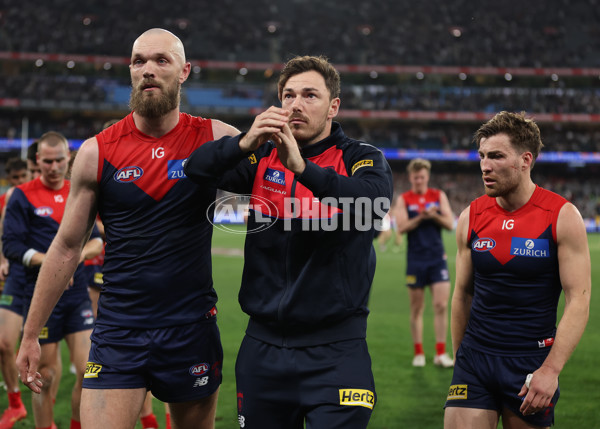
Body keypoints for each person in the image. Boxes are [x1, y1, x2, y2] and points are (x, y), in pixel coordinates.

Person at [16, 28, 239, 429]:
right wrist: (31, 334)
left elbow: (277, 194)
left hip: (190, 328)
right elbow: (66, 247)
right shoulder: (97, 151)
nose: (148, 70)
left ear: (184, 71)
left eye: (161, 60)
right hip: (119, 331)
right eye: (139, 61)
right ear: (130, 70)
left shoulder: (215, 138)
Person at [184, 55, 394, 428]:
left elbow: (371, 207)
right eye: (288, 95)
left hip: (337, 352)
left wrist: (302, 168)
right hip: (262, 350)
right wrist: (244, 141)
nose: (296, 104)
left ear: (333, 106)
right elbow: (196, 168)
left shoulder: (360, 158)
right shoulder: (261, 156)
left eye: (310, 95)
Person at [444, 111, 591, 429]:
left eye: (496, 156)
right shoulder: (472, 215)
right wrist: (460, 359)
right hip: (475, 358)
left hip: (530, 363)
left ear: (525, 160)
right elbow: (462, 293)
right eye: (482, 155)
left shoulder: (561, 215)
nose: (485, 165)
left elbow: (579, 299)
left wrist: (550, 370)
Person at [3, 131, 103, 429]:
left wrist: (75, 260)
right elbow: (11, 246)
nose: (54, 166)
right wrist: (53, 264)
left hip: (76, 296)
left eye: (60, 160)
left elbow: (96, 240)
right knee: (43, 376)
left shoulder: (79, 191)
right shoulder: (22, 195)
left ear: (68, 159)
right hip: (41, 296)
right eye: (47, 161)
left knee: (89, 371)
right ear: (38, 161)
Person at [394, 158, 455, 368]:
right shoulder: (404, 199)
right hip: (416, 260)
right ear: (410, 177)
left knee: (440, 305)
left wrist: (435, 215)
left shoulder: (438, 196)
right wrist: (420, 217)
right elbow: (400, 227)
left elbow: (449, 223)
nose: (419, 180)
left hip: (437, 258)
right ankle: (418, 352)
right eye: (415, 177)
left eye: (422, 177)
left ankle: (440, 353)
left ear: (427, 177)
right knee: (417, 308)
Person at [0, 158, 30, 429]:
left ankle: (46, 420)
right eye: (15, 178)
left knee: (49, 363)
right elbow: (2, 231)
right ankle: (15, 403)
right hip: (16, 276)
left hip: (46, 279)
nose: (19, 182)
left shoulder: (48, 194)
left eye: (24, 176)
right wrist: (2, 259)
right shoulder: (9, 198)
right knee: (4, 344)